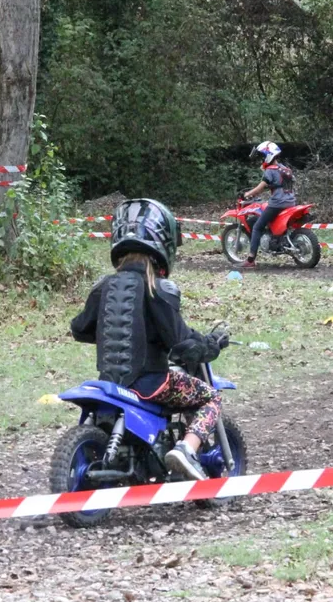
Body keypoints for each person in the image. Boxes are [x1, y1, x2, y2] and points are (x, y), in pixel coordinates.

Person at [70, 198, 229, 482]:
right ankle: (187, 450)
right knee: (210, 397)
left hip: (111, 385)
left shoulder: (103, 287)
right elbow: (182, 343)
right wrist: (211, 345)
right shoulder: (159, 288)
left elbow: (80, 329)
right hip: (152, 385)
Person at [240, 141, 296, 268]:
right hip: (291, 202)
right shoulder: (286, 169)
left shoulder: (270, 171)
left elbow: (260, 188)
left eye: (262, 157)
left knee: (257, 227)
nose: (261, 160)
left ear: (268, 156)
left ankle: (250, 259)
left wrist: (247, 194)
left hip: (277, 204)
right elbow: (282, 184)